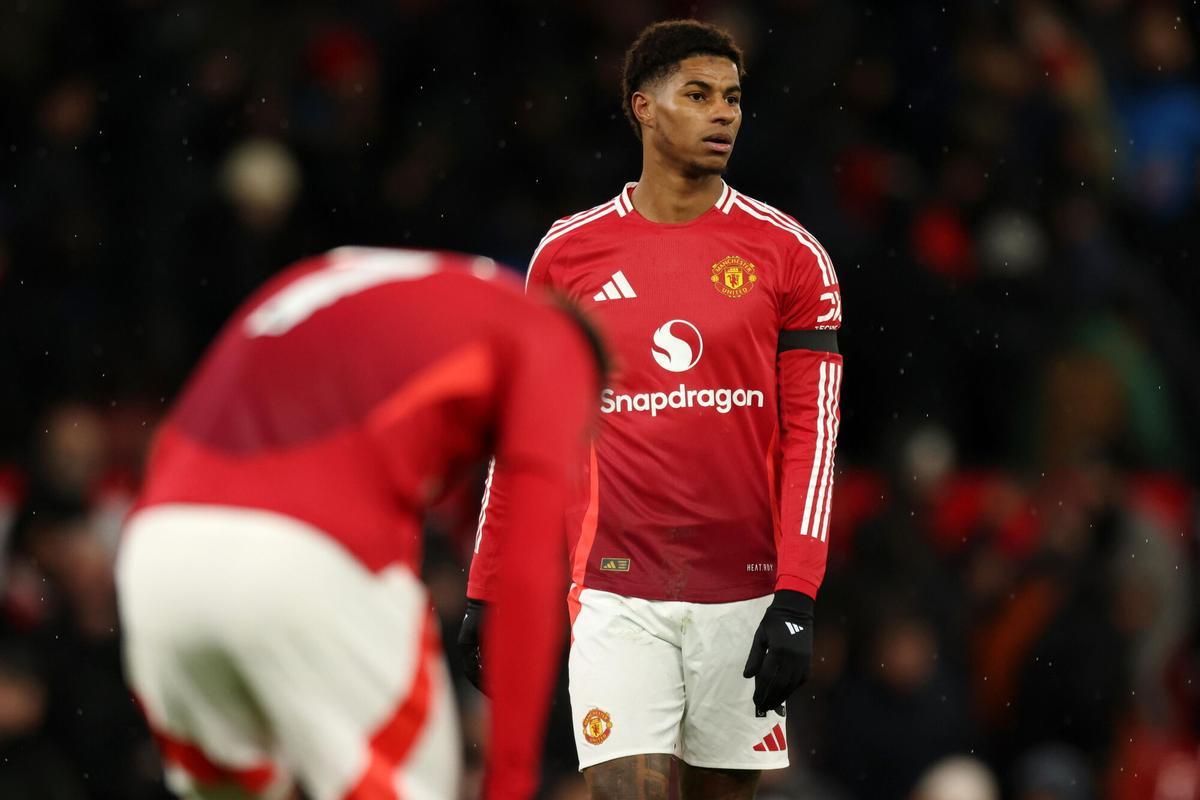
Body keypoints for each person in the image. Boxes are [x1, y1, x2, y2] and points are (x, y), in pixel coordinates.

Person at [463, 19, 844, 800]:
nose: (723, 113)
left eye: (732, 97)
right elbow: (524, 433)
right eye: (698, 95)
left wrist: (797, 594)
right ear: (643, 106)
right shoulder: (568, 255)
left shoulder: (791, 255)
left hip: (743, 592)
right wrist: (487, 583)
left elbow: (814, 438)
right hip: (614, 589)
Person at [116, 247, 604, 800]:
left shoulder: (339, 272)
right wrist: (511, 782)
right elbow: (528, 571)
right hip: (310, 559)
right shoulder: (552, 337)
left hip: (157, 556)